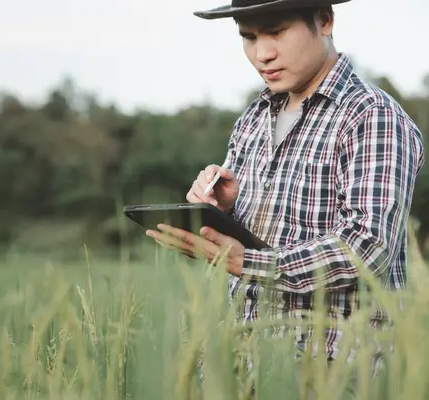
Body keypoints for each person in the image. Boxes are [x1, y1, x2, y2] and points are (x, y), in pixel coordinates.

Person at [145, 0, 425, 397]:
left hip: (335, 371)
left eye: (277, 32)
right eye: (249, 37)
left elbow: (368, 246)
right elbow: (269, 234)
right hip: (246, 362)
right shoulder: (254, 118)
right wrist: (225, 210)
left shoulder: (372, 116)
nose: (262, 53)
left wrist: (245, 261)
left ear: (324, 21)